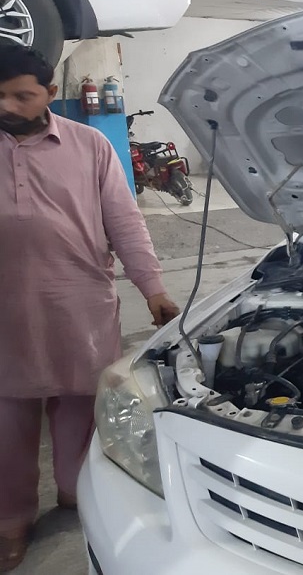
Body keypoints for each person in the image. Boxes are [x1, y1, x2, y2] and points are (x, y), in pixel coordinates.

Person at [0, 43, 180, 570]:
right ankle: (10, 519)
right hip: (6, 311)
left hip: (78, 302)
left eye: (21, 95)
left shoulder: (90, 145)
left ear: (50, 93)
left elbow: (124, 221)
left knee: (82, 409)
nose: (7, 106)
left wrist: (153, 288)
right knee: (7, 423)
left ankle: (77, 494)